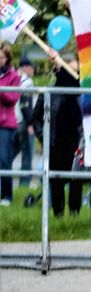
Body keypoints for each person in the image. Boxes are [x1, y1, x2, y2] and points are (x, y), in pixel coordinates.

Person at [30, 57, 84, 217]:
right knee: (56, 182)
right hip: (55, 143)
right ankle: (58, 215)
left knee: (76, 182)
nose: (74, 74)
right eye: (70, 70)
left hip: (77, 145)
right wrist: (43, 136)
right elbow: (35, 117)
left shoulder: (83, 93)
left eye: (77, 71)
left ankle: (75, 215)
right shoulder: (49, 92)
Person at [0, 43, 21, 205]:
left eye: (1, 57)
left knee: (5, 160)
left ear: (7, 58)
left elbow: (13, 98)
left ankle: (7, 196)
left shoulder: (14, 76)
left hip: (6, 124)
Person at [15, 58, 35, 187]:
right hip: (23, 121)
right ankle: (24, 184)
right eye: (32, 67)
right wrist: (30, 124)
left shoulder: (12, 79)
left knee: (10, 152)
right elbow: (25, 104)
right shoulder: (26, 81)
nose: (33, 70)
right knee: (27, 153)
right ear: (25, 67)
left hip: (12, 121)